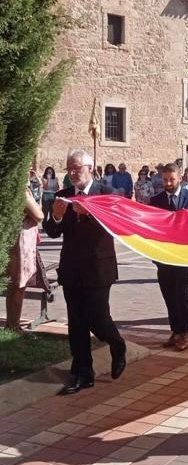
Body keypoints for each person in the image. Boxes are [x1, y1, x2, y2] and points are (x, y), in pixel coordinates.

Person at [44, 150, 126, 394]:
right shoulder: (63, 195)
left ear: (90, 168)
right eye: (69, 168)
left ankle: (117, 344)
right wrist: (56, 217)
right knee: (77, 323)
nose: (72, 172)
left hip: (99, 267)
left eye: (77, 167)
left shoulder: (106, 194)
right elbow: (52, 231)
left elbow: (116, 226)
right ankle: (83, 373)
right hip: (71, 268)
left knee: (98, 318)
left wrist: (90, 215)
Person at [150, 163, 188, 351]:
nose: (168, 183)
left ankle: (185, 332)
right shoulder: (155, 201)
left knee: (182, 292)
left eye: (171, 179)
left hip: (184, 255)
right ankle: (175, 330)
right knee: (168, 292)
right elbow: (151, 229)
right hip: (163, 257)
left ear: (180, 178)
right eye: (165, 179)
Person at [5, 184, 44, 330]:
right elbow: (39, 215)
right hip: (22, 240)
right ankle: (13, 325)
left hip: (17, 237)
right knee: (19, 284)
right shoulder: (20, 190)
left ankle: (11, 323)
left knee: (14, 285)